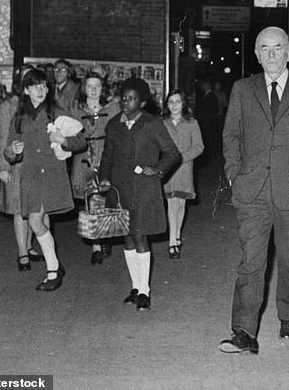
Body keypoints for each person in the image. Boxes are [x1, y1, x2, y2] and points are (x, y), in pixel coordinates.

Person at [219, 26, 289, 354]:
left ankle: (288, 313)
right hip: (252, 190)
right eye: (264, 48)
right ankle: (243, 331)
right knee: (251, 262)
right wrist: (234, 175)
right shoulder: (242, 89)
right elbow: (231, 137)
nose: (270, 54)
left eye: (277, 47)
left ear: (288, 51)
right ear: (255, 54)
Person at [98, 77, 180, 311]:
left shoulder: (152, 124)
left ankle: (145, 290)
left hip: (144, 189)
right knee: (126, 236)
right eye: (123, 98)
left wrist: (156, 170)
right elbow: (107, 155)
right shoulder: (114, 125)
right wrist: (104, 177)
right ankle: (135, 287)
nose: (126, 102)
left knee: (140, 236)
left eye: (132, 99)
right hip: (120, 188)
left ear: (142, 103)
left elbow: (172, 153)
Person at [5, 68, 86, 291]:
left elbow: (81, 140)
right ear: (26, 90)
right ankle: (55, 267)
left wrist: (63, 140)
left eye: (43, 85)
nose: (41, 90)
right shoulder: (20, 116)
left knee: (34, 221)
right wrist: (13, 150)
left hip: (51, 174)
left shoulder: (55, 111)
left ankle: (53, 271)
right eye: (35, 86)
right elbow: (10, 152)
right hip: (30, 175)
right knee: (35, 220)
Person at [70, 71, 121, 265]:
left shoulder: (112, 109)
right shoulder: (76, 109)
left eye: (97, 86)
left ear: (102, 89)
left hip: (105, 157)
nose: (93, 90)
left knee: (104, 198)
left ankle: (103, 236)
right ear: (84, 88)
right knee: (88, 201)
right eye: (90, 86)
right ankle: (96, 245)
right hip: (83, 158)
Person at [0, 68, 44, 271]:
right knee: (19, 209)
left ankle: (29, 245)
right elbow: (2, 139)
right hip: (17, 164)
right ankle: (22, 252)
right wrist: (4, 167)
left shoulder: (42, 105)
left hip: (37, 165)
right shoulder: (9, 106)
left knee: (35, 208)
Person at [162, 89, 204, 259]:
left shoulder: (192, 123)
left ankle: (177, 234)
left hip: (185, 169)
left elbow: (199, 146)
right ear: (167, 105)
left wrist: (183, 158)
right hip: (169, 170)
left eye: (177, 102)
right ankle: (172, 242)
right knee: (172, 204)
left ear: (183, 103)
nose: (174, 105)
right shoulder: (162, 123)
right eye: (170, 102)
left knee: (181, 204)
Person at [196, 78, 219, 162]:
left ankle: (211, 157)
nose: (201, 87)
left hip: (209, 122)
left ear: (207, 86)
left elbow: (213, 110)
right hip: (207, 122)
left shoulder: (212, 96)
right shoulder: (205, 96)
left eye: (203, 85)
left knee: (209, 139)